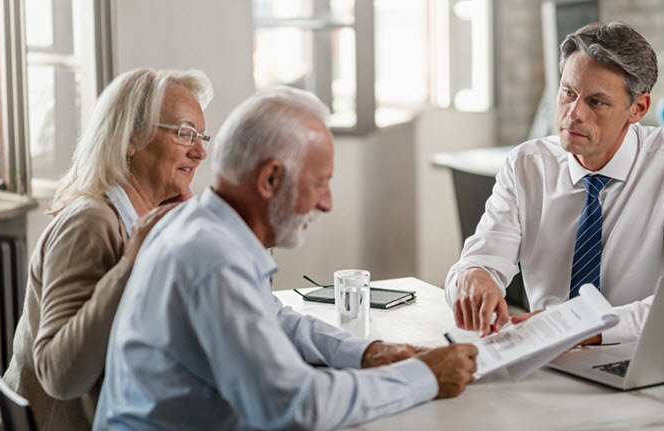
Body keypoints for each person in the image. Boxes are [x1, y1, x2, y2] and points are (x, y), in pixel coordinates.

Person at [93, 87, 479, 431]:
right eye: (319, 183)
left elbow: (272, 317)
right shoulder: (213, 258)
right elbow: (293, 404)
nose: (326, 203)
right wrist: (423, 376)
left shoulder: (203, 227)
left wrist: (365, 351)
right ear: (270, 180)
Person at [445, 22, 664, 343]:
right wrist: (475, 275)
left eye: (596, 102)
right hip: (546, 354)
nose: (574, 113)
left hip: (639, 352)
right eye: (568, 93)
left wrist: (582, 326)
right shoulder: (527, 164)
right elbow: (481, 258)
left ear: (638, 108)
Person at [0, 68, 214, 430]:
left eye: (201, 136)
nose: (200, 151)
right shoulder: (90, 223)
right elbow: (59, 375)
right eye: (184, 133)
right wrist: (133, 263)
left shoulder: (143, 218)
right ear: (130, 139)